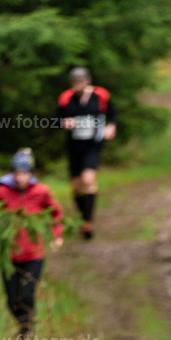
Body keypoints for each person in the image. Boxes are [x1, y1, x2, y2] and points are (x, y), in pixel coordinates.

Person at [0, 148, 64, 340]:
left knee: (27, 294)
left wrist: (56, 236)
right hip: (9, 254)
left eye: (24, 173)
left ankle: (27, 329)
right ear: (12, 174)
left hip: (34, 254)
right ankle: (23, 326)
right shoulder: (3, 191)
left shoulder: (41, 191)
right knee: (12, 301)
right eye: (17, 174)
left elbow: (56, 213)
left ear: (31, 174)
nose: (20, 178)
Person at [57, 66, 117, 239]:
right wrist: (63, 122)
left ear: (88, 81)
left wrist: (111, 127)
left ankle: (88, 221)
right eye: (74, 83)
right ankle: (83, 217)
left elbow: (113, 114)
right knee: (76, 187)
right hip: (73, 147)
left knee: (88, 180)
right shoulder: (65, 98)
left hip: (92, 146)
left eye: (81, 82)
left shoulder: (101, 96)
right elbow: (56, 118)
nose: (78, 86)